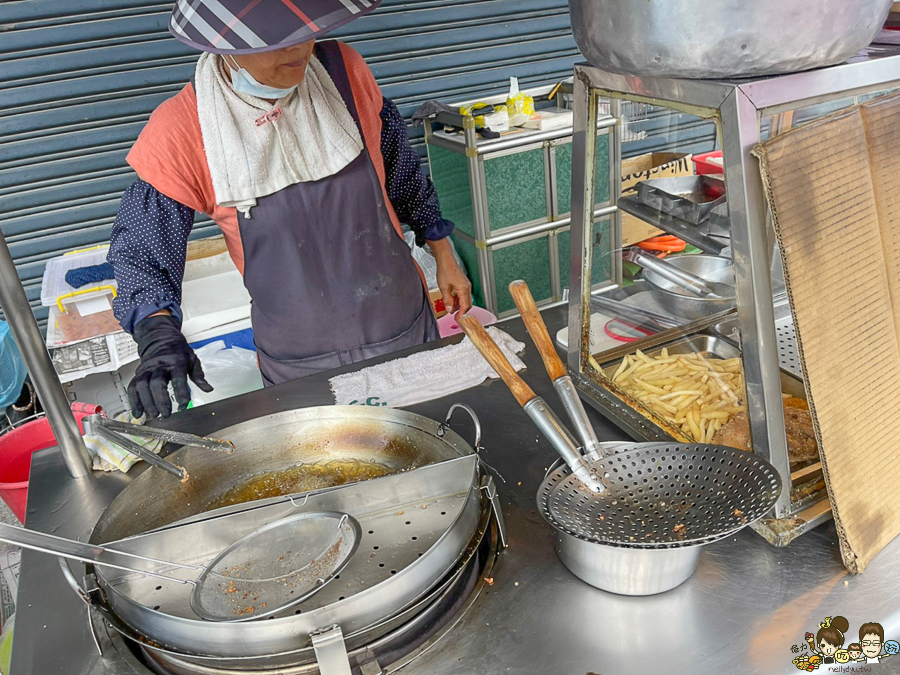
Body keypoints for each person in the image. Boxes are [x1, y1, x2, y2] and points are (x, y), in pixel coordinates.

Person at [108, 0, 472, 419]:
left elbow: (402, 172)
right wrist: (157, 335)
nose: (299, 49)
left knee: (431, 442)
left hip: (402, 328)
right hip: (300, 364)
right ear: (225, 44)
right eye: (274, 39)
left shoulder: (345, 72)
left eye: (303, 31)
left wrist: (444, 255)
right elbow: (141, 248)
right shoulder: (184, 128)